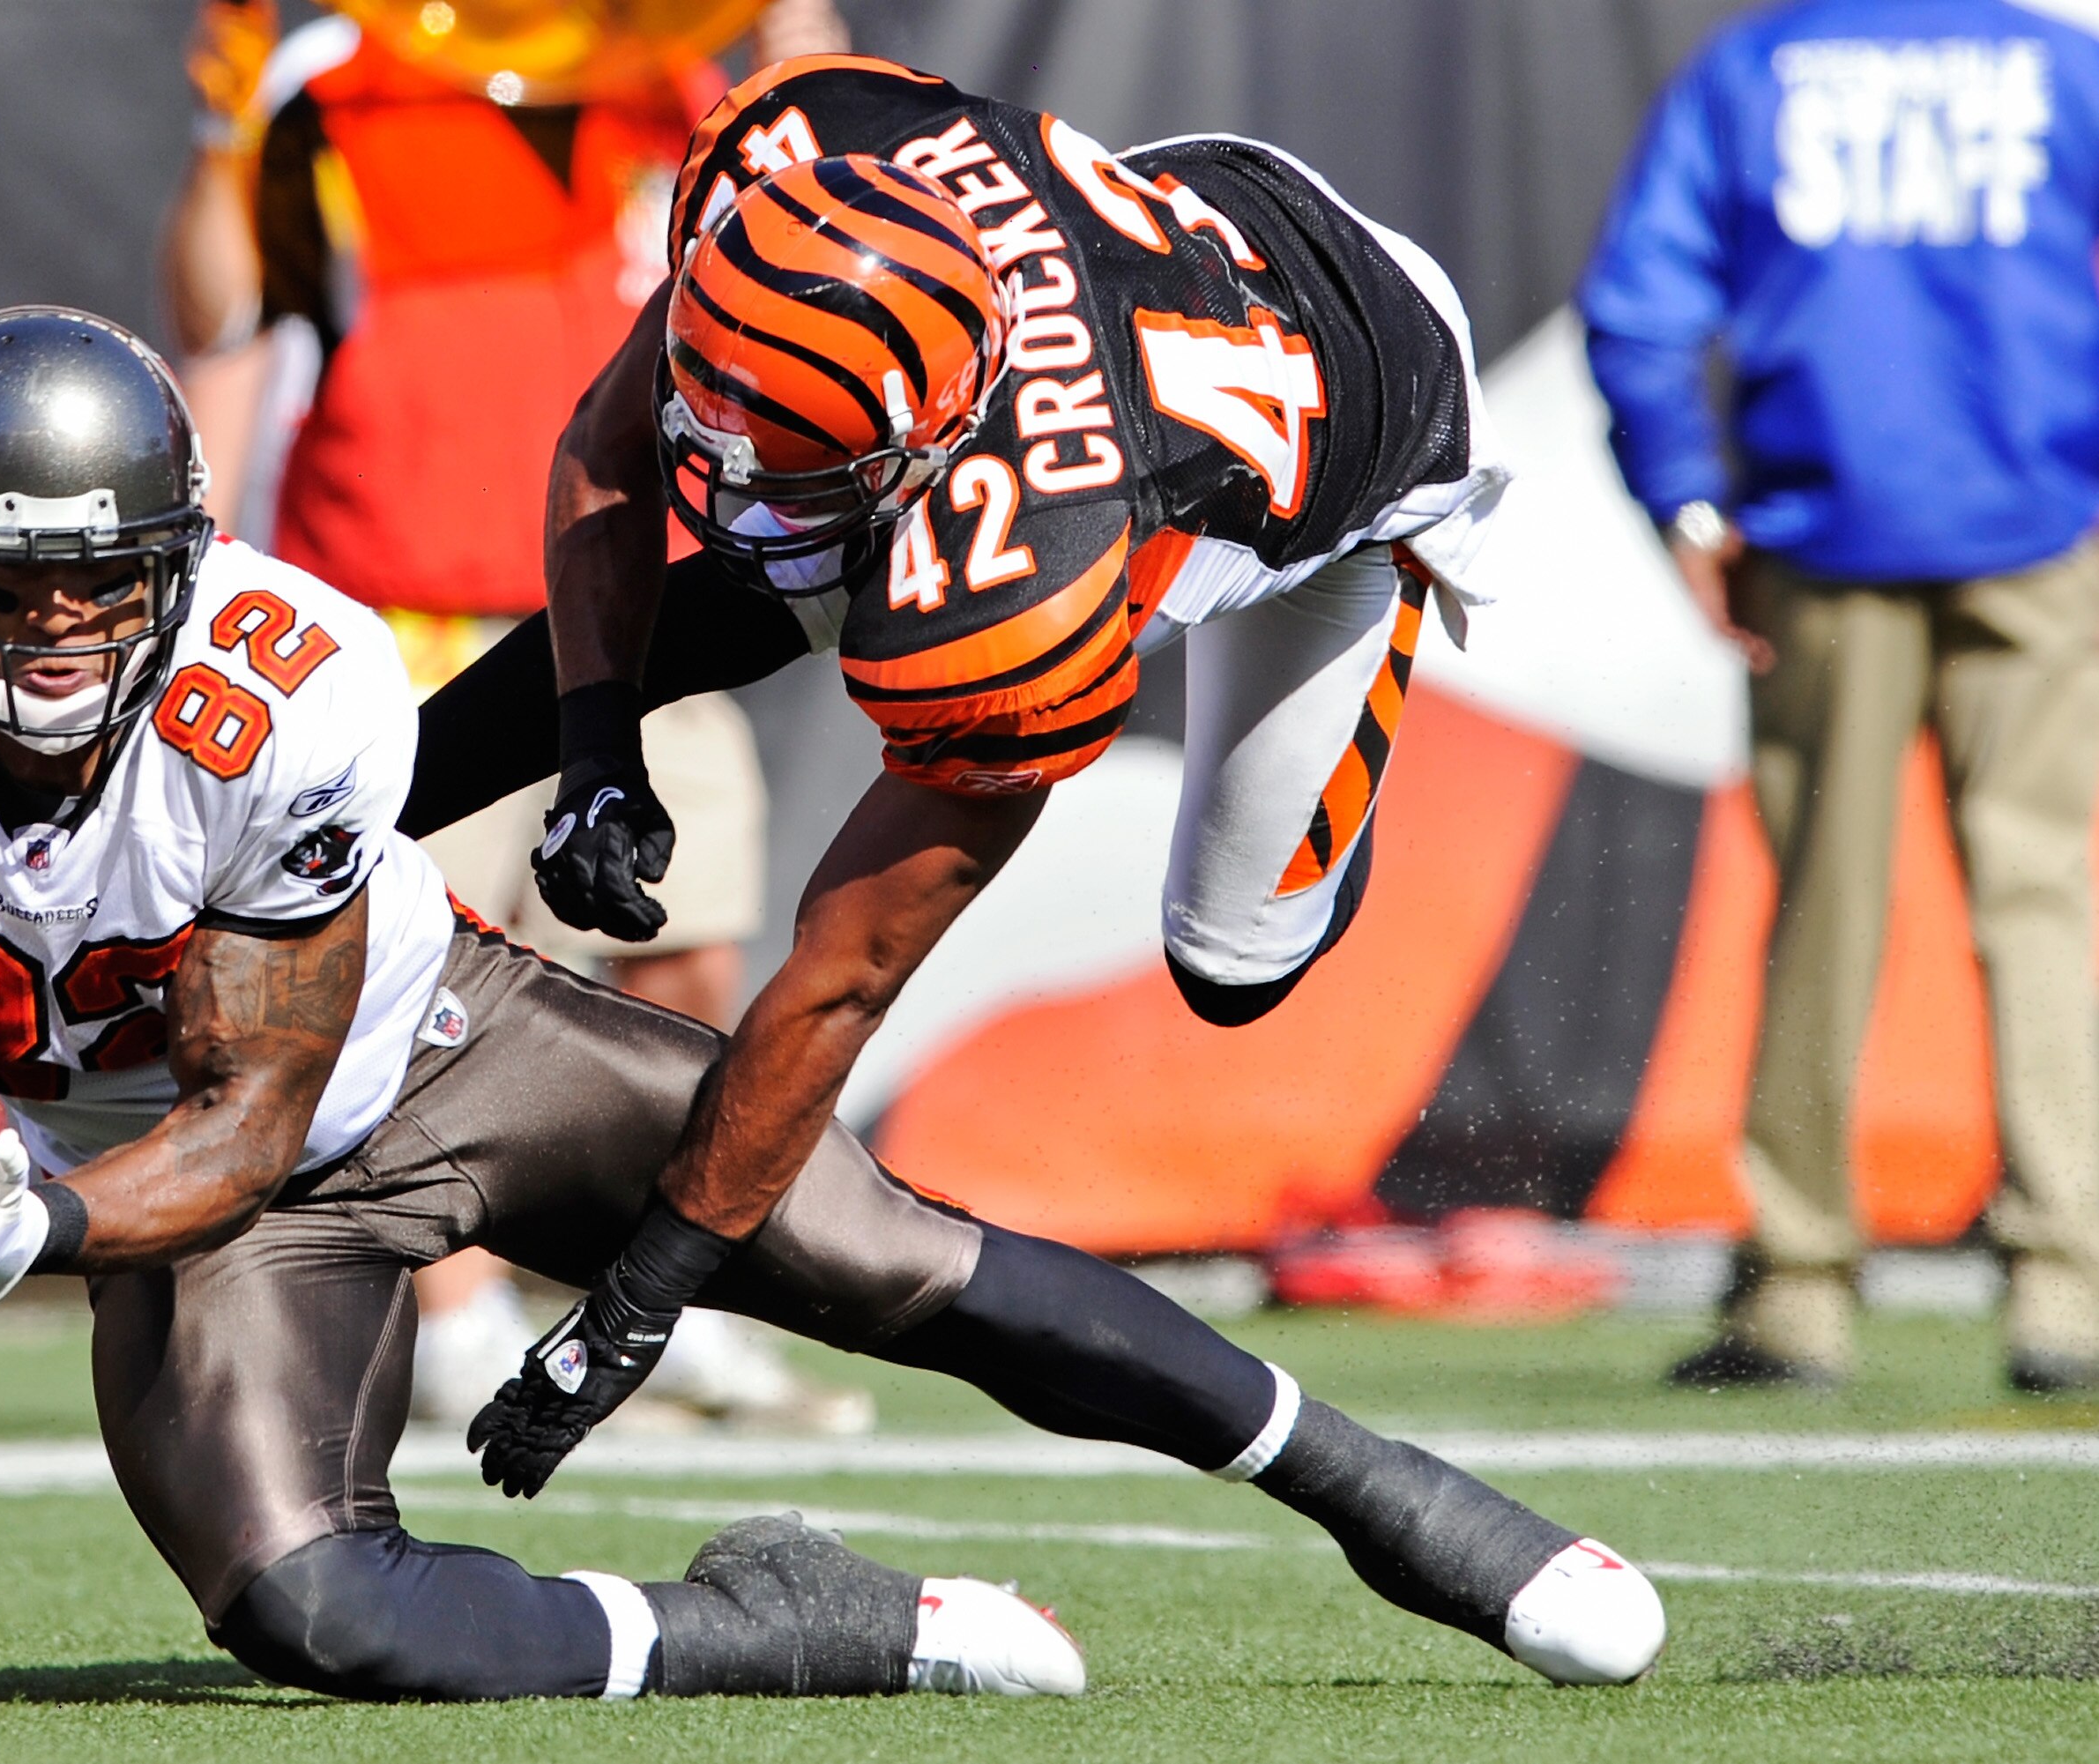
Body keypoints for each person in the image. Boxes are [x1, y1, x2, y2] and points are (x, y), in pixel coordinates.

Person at [0, 307, 1662, 1701]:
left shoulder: (289, 677)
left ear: (179, 562)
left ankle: (1399, 1497)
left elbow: (259, 1099)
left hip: (419, 1056)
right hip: (210, 1192)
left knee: (892, 1255)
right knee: (312, 1612)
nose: (58, 631)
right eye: (5, 584)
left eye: (98, 581)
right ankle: (778, 1621)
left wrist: (38, 1222)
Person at [404, 54, 1508, 1467]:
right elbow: (612, 455)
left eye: (784, 466)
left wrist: (642, 1297)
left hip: (1366, 406)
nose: (725, 480)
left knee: (1233, 962)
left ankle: (1396, 582)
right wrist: (594, 751)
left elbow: (845, 975)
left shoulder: (1025, 587)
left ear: (935, 445)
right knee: (784, 570)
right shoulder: (802, 174)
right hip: (1176, 225)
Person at [159, 0, 846, 1426]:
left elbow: (822, 148)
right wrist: (229, 138)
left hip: (643, 611)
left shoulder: (670, 82)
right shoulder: (340, 91)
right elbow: (217, 316)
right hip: (402, 616)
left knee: (690, 962)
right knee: (396, 984)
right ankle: (458, 1306)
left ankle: (664, 1296)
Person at [1578, 0, 2099, 1392]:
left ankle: (1800, 1291)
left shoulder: (1757, 69)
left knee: (1823, 910)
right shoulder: (2059, 69)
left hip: (1818, 539)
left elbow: (1637, 305)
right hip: (2044, 526)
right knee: (2044, 897)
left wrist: (1686, 499)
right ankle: (2071, 1287)